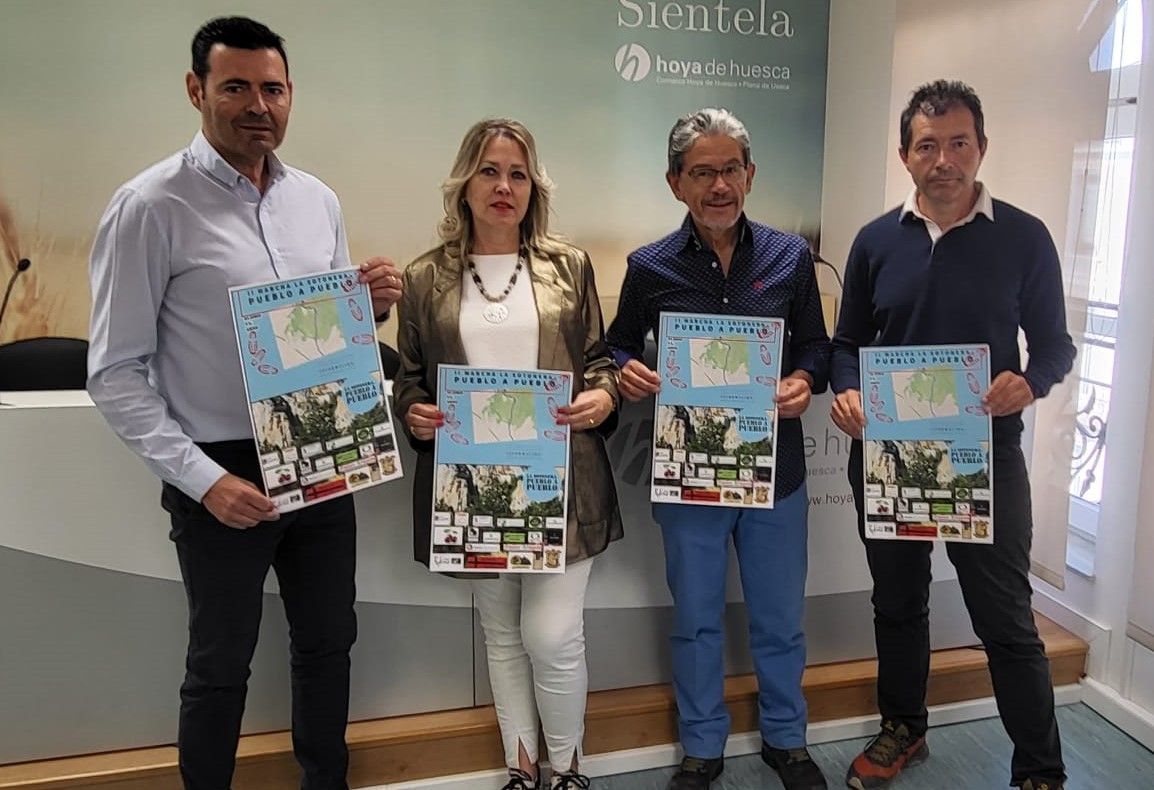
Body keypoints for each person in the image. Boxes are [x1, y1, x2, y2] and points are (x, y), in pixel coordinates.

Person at [86, 17, 402, 790]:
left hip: (324, 452)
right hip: (220, 467)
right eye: (236, 87)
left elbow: (323, 339)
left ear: (290, 96)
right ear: (197, 91)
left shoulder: (316, 200)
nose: (257, 104)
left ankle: (325, 781)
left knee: (329, 643)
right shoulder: (149, 205)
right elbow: (114, 371)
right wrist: (204, 480)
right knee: (219, 663)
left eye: (273, 88)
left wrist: (371, 312)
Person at [829, 79, 1075, 790]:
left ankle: (1041, 768)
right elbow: (849, 342)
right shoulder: (876, 241)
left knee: (1004, 618)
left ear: (981, 149)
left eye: (958, 143)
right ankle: (903, 729)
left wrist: (1029, 382)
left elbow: (1055, 345)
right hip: (889, 457)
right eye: (927, 145)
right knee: (899, 604)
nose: (944, 159)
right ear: (905, 156)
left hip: (984, 457)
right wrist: (846, 387)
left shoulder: (1025, 238)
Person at [393, 118, 622, 790]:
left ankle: (568, 768)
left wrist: (603, 398)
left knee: (551, 634)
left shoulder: (569, 266)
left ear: (533, 187)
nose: (503, 186)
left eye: (517, 173)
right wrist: (414, 412)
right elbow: (409, 377)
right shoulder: (424, 276)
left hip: (562, 480)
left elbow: (600, 363)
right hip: (472, 487)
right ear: (464, 183)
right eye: (489, 171)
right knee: (501, 635)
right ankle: (522, 770)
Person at [606, 108, 831, 790]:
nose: (719, 185)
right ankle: (701, 746)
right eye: (701, 172)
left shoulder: (791, 258)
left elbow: (818, 346)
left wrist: (804, 379)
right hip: (690, 476)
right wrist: (626, 368)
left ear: (750, 174)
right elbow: (617, 341)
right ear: (676, 183)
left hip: (776, 475)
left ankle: (787, 740)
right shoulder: (648, 267)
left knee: (779, 618)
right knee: (696, 619)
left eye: (730, 169)